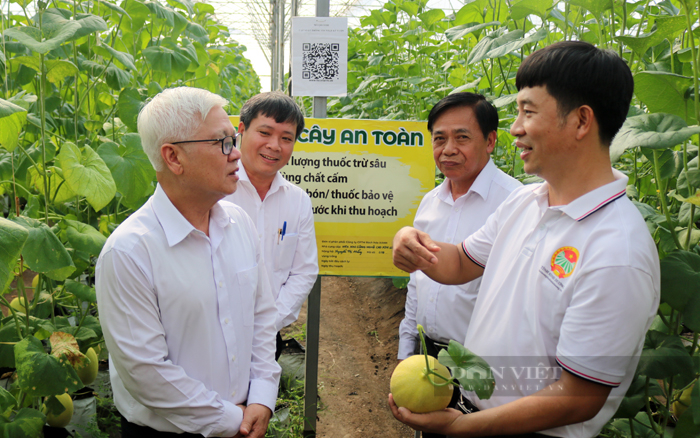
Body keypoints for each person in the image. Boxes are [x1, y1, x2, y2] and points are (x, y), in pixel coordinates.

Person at [390, 41, 659, 438]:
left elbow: (579, 396)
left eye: (528, 111)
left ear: (582, 121)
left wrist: (463, 428)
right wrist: (412, 242)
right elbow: (461, 262)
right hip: (471, 407)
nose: (515, 128)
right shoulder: (525, 201)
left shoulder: (618, 251)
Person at [96, 87, 280, 438]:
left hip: (244, 418)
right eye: (222, 142)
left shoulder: (240, 224)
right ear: (173, 158)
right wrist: (229, 420)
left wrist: (261, 397)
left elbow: (261, 317)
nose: (237, 154)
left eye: (234, 138)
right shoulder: (129, 251)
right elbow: (146, 372)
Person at [397, 93, 521, 437]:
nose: (448, 149)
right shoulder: (429, 202)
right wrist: (406, 351)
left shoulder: (513, 203)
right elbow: (416, 284)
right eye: (439, 138)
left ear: (491, 141)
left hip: (481, 363)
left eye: (462, 137)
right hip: (429, 358)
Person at [224, 92, 318, 360]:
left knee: (259, 401)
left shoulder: (297, 201)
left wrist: (269, 323)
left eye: (286, 138)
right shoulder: (215, 191)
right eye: (265, 133)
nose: (275, 145)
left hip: (267, 337)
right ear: (241, 130)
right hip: (213, 333)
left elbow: (304, 271)